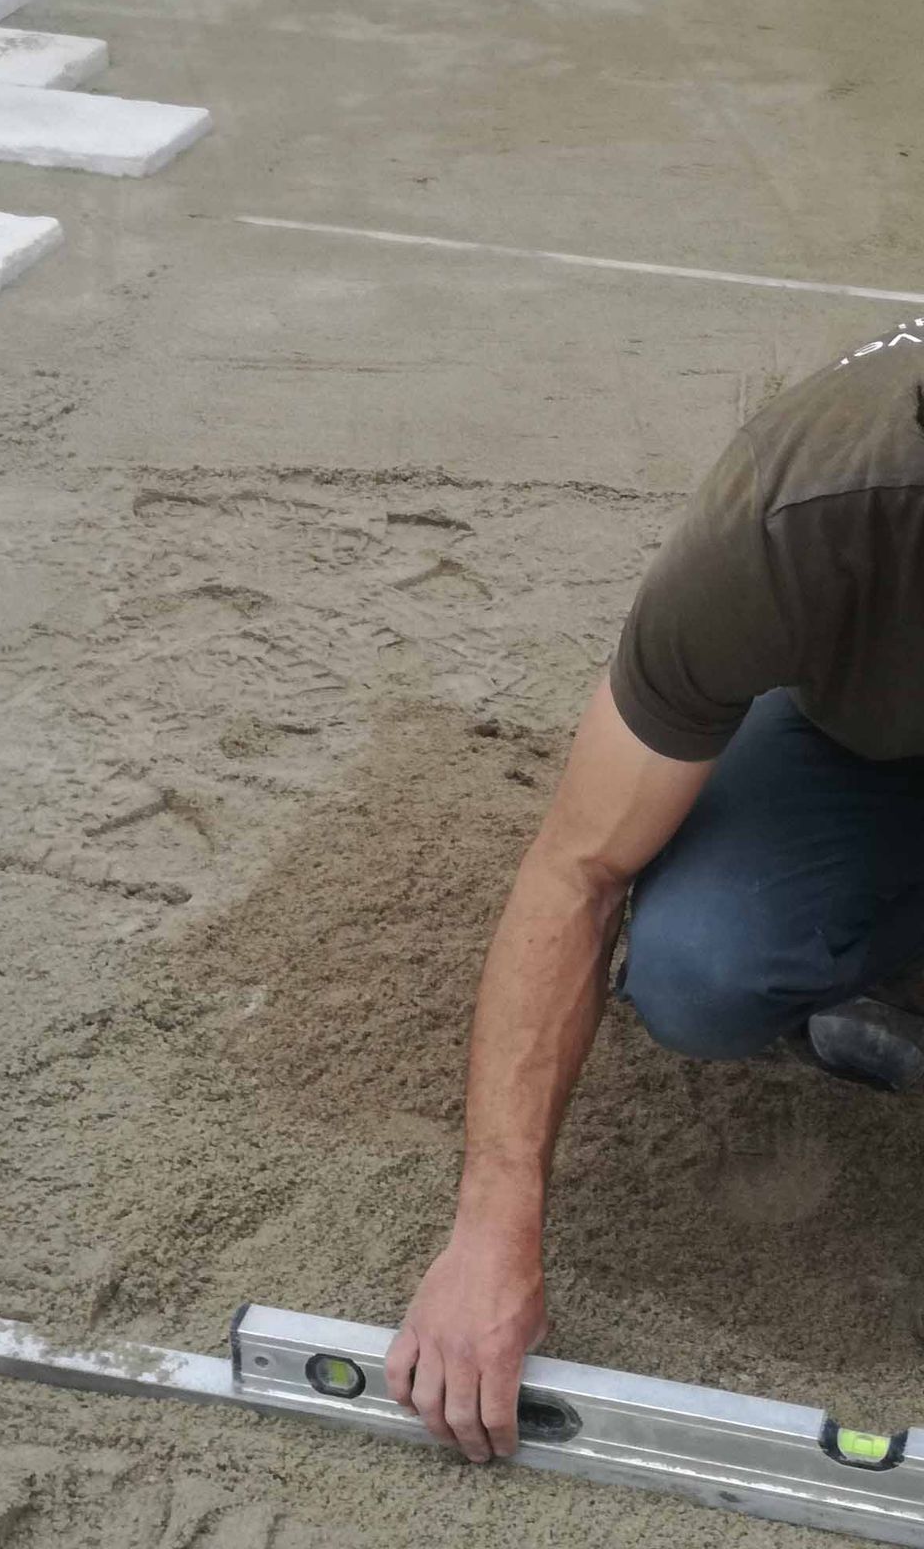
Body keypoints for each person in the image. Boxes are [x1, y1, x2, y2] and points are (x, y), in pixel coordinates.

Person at [384, 317, 924, 1464]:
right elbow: (577, 871)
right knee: (700, 967)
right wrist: (491, 1230)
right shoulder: (799, 510)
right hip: (868, 750)